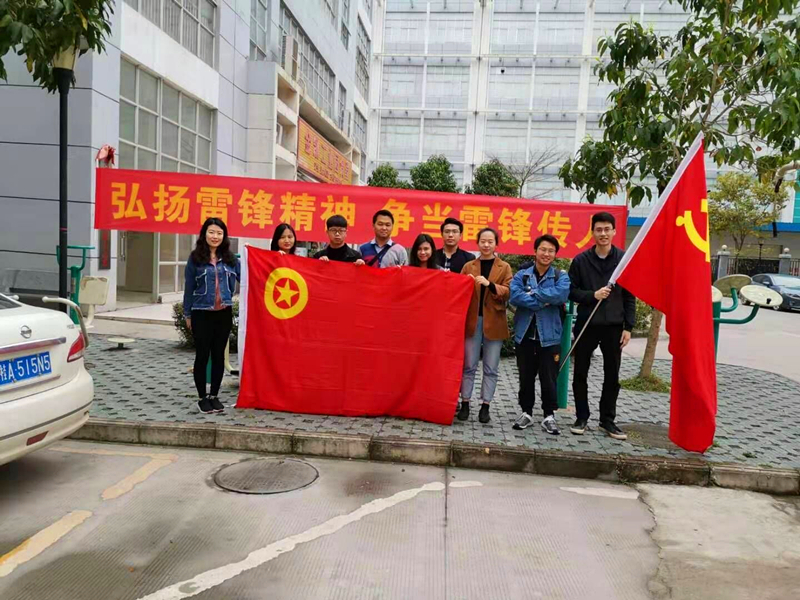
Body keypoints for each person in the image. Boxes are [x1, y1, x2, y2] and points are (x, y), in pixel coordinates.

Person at [568, 212, 636, 440]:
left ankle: (607, 420)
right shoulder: (580, 261)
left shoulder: (623, 260)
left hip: (614, 326)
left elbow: (629, 296)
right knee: (580, 372)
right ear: (592, 232)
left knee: (612, 375)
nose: (603, 233)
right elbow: (571, 291)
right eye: (599, 229)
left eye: (607, 229)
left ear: (614, 231)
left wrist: (628, 327)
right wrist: (592, 295)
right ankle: (581, 417)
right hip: (587, 323)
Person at [509, 235, 571, 435]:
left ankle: (549, 415)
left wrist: (532, 293)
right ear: (535, 251)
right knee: (525, 376)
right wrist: (544, 299)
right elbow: (514, 296)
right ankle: (526, 412)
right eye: (543, 249)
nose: (546, 254)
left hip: (550, 336)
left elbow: (561, 295)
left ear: (555, 254)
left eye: (551, 251)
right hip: (525, 334)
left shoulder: (560, 276)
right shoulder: (522, 275)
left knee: (549, 377)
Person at [183, 218, 240, 415]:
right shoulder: (195, 258)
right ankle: (202, 398)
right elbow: (189, 288)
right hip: (201, 313)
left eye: (219, 233)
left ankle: (214, 395)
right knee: (202, 356)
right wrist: (187, 314)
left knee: (218, 356)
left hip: (223, 313)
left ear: (224, 236)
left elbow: (249, 275)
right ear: (204, 234)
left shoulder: (231, 259)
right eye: (211, 232)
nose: (215, 236)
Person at [457, 228, 513, 424]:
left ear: (496, 244)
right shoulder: (469, 266)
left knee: (491, 367)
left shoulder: (504, 267)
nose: (486, 245)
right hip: (472, 320)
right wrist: (466, 283)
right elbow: (458, 289)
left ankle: (485, 405)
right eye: (483, 241)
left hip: (494, 321)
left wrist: (490, 284)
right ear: (478, 242)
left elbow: (508, 291)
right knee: (468, 365)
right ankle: (465, 402)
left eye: (490, 241)